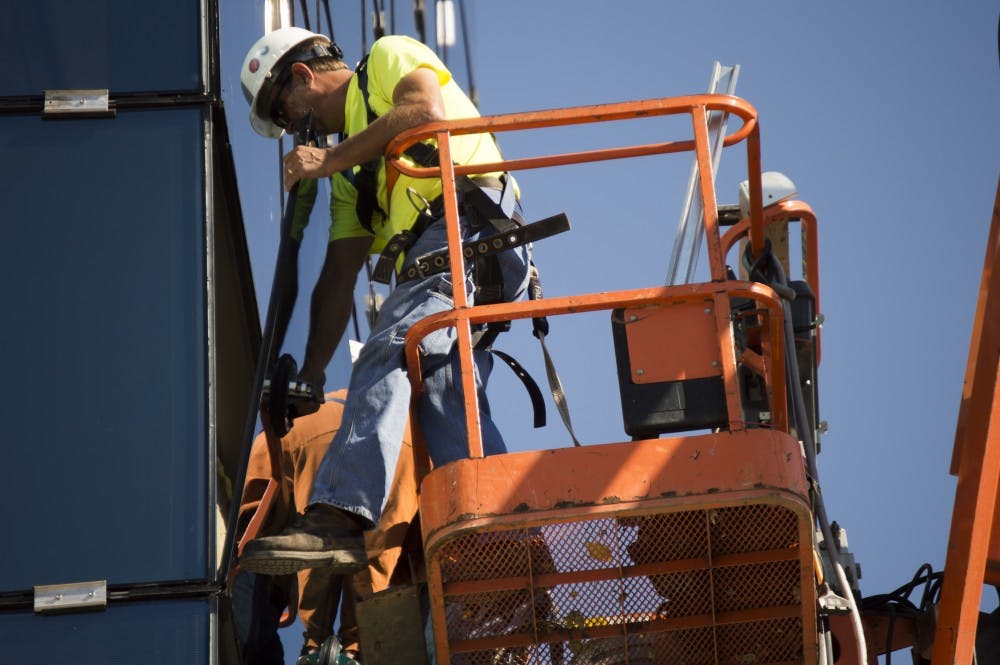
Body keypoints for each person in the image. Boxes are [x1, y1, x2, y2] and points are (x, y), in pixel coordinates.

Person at [238, 27, 532, 575]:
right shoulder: (353, 170)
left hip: (466, 225)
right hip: (456, 251)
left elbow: (425, 108)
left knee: (390, 344)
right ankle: (500, 531)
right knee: (443, 389)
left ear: (302, 75)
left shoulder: (387, 60)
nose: (291, 129)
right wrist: (312, 372)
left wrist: (323, 163)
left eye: (284, 113)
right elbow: (338, 273)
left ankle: (340, 516)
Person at [234, 390, 419, 663]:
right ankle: (347, 651)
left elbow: (250, 522)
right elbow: (376, 564)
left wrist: (315, 639)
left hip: (295, 434)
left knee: (277, 560)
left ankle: (320, 647)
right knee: (363, 559)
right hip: (400, 443)